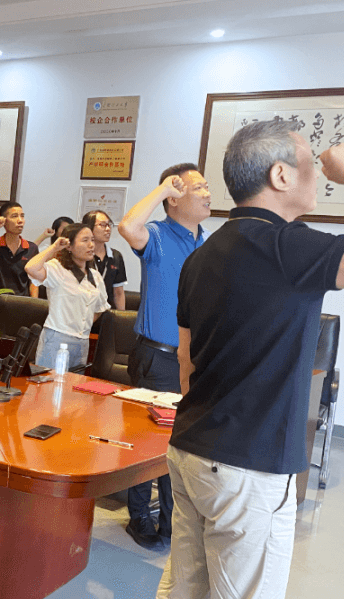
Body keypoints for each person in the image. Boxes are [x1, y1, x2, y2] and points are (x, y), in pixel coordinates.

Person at [158, 120, 344, 599]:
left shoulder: (203, 254)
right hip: (247, 466)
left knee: (184, 589)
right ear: (280, 175)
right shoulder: (287, 246)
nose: (319, 173)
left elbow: (187, 361)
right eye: (309, 163)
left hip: (191, 450)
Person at [117, 162, 212, 551]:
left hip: (195, 361)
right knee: (147, 442)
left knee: (181, 444)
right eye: (198, 187)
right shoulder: (156, 235)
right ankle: (139, 516)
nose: (207, 193)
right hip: (157, 358)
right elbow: (127, 226)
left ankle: (172, 522)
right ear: (174, 198)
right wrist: (161, 191)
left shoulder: (209, 243)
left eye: (207, 186)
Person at [24, 224, 109, 369]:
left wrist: (80, 321)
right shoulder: (58, 268)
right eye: (85, 240)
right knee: (49, 381)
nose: (91, 245)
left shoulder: (95, 275)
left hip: (83, 341)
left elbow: (100, 307)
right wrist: (54, 247)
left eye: (92, 240)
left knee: (75, 382)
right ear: (69, 246)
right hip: (57, 338)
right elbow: (30, 268)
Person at [0, 201, 39, 298]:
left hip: (22, 301)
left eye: (22, 216)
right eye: (14, 216)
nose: (20, 220)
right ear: (4, 220)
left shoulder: (32, 248)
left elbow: (33, 281)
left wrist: (34, 304)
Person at [83, 210, 127, 310]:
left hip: (108, 311)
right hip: (84, 311)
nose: (108, 229)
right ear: (89, 228)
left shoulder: (116, 256)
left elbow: (118, 292)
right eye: (102, 225)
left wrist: (122, 316)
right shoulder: (81, 255)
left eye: (109, 225)